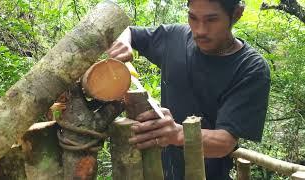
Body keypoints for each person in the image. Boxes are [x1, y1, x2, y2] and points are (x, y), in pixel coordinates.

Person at [107, 0, 271, 179]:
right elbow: (129, 31)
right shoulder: (174, 38)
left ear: (237, 14)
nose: (200, 30)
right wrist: (123, 42)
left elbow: (225, 142)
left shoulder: (250, 68)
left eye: (211, 20)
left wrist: (176, 133)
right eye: (192, 17)